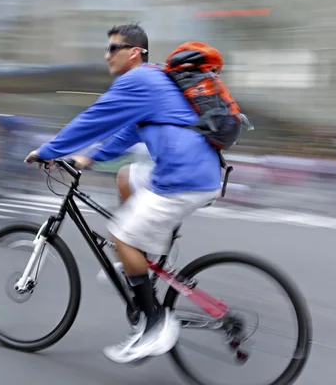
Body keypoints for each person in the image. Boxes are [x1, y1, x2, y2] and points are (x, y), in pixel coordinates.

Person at [25, 24, 222, 364]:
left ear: (134, 52)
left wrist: (48, 150)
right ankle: (146, 257)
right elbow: (129, 131)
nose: (106, 55)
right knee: (126, 176)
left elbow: (94, 118)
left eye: (113, 48)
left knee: (120, 234)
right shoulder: (154, 82)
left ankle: (154, 325)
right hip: (199, 171)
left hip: (183, 177)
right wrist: (89, 157)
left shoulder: (139, 80)